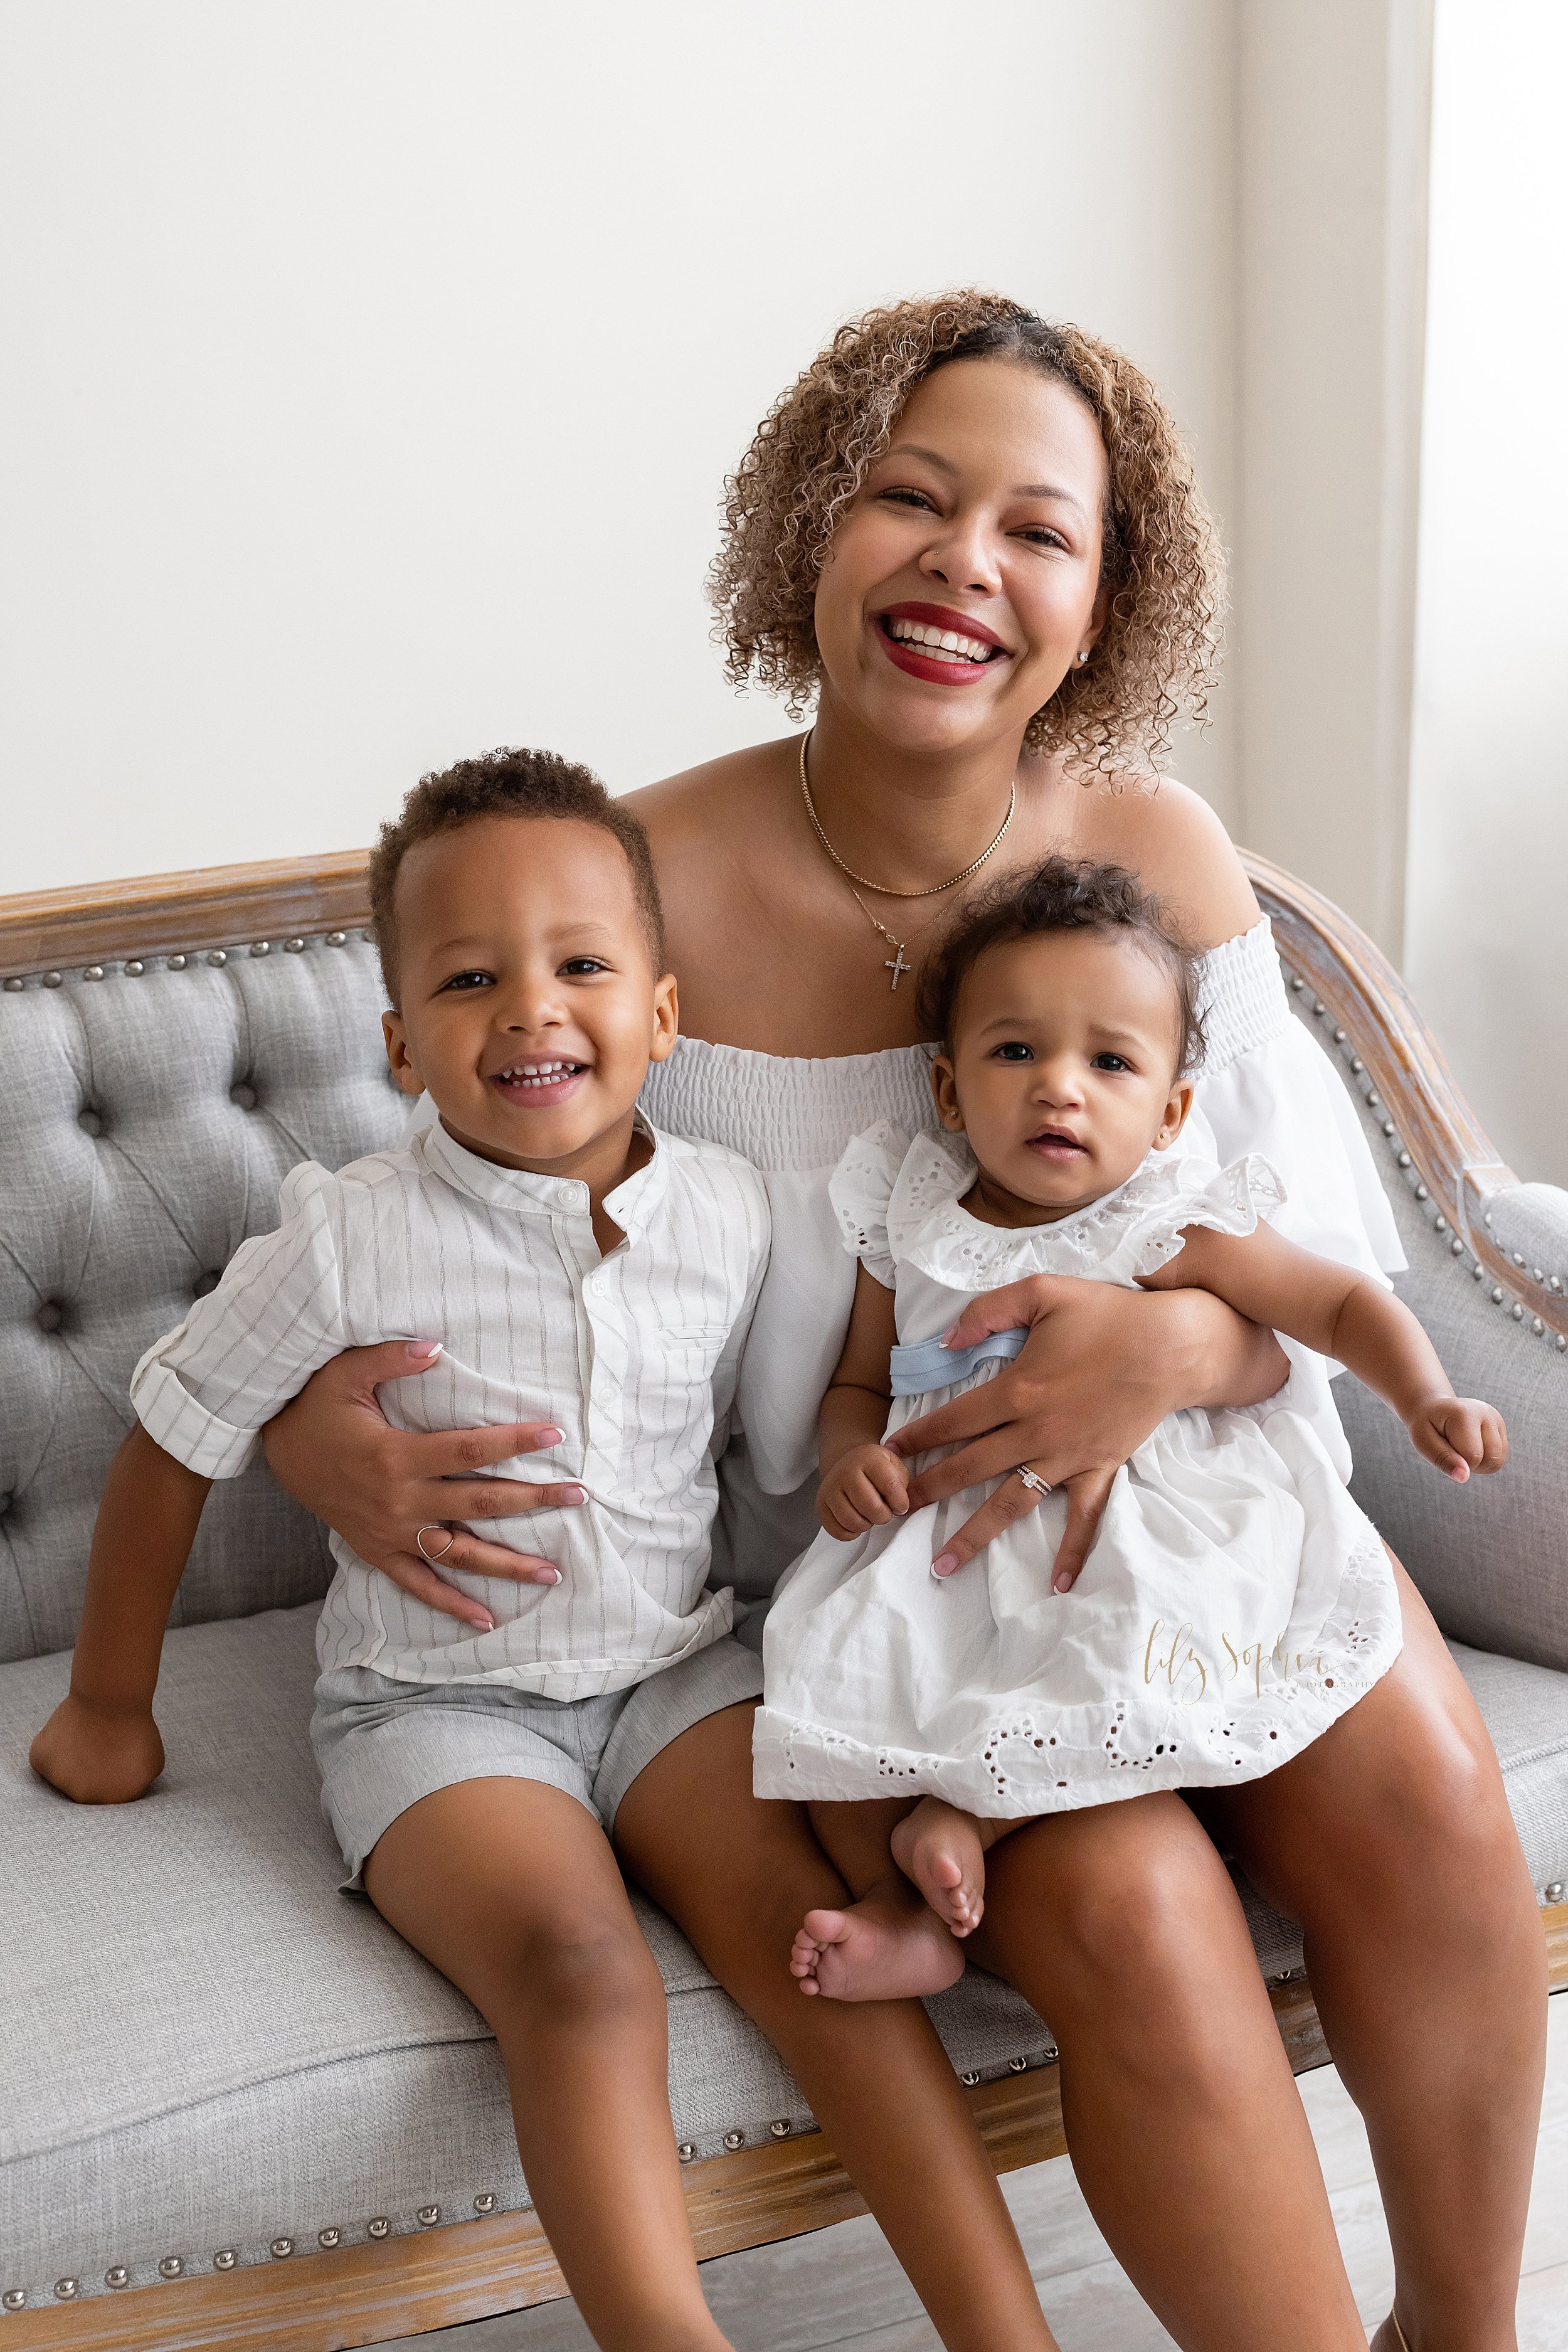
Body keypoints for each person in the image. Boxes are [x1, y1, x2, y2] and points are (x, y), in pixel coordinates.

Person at [258, 296, 1545, 2352]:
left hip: (1200, 1493)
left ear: (1104, 604)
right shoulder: (641, 872)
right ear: (810, 533)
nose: (969, 563)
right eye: (913, 499)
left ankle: (1463, 2332)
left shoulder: (1149, 851)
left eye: (1041, 531)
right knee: (1127, 1903)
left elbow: (1312, 1239)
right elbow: (439, 1197)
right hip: (889, 1563)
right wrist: (318, 1422)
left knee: (1429, 1784)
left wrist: (1177, 1351)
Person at [29, 750, 779, 2352]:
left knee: (802, 1911)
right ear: (398, 1041)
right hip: (441, 1712)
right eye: (467, 977)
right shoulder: (351, 1233)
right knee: (581, 1972)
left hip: (674, 1673)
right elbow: (173, 1439)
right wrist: (109, 1704)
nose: (530, 1010)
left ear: (659, 1009)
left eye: (580, 965)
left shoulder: (727, 1211)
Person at [758, 855, 1506, 2001]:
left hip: (1134, 1528)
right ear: (949, 1089)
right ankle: (907, 1905)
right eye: (1017, 1051)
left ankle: (968, 1824)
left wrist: (1426, 1395)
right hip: (945, 1530)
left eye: (1110, 1061)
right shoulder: (909, 1215)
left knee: (1106, 1651)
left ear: (1170, 1112)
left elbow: (1339, 1300)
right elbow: (860, 1380)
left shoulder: (1163, 1219)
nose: (1061, 1087)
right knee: (842, 1694)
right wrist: (850, 1453)